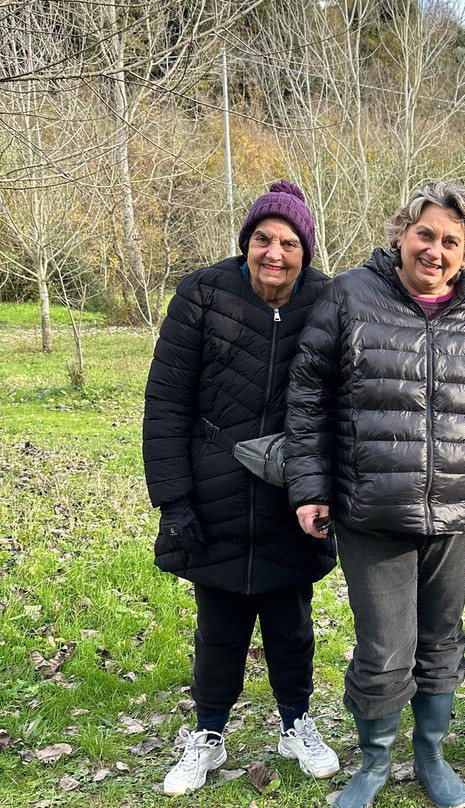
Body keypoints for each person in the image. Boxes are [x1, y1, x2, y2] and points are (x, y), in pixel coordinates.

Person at [285, 181, 465, 808]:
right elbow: (308, 397)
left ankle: (431, 754)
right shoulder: (349, 296)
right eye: (425, 235)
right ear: (400, 234)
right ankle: (374, 761)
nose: (435, 251)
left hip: (457, 511)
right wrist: (309, 487)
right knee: (385, 646)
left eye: (451, 241)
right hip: (371, 509)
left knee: (441, 639)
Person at [143, 180, 340, 796]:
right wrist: (173, 500)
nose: (273, 253)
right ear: (246, 242)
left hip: (293, 491)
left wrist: (328, 483)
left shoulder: (328, 301)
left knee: (291, 621)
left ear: (305, 251)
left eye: (288, 242)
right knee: (219, 625)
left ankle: (295, 723)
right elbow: (166, 404)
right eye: (262, 239)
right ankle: (207, 733)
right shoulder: (203, 295)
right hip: (214, 489)